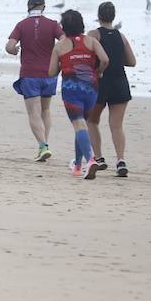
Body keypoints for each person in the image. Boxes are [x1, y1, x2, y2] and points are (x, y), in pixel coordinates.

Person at [47, 9, 110, 179]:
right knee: (82, 124)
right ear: (81, 24)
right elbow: (105, 60)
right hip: (91, 88)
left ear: (64, 27)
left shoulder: (59, 46)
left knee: (79, 125)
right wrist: (99, 71)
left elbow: (51, 72)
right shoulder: (91, 41)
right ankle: (77, 165)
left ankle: (90, 160)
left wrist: (63, 64)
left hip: (71, 90)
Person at [6, 0, 63, 162]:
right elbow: (65, 41)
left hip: (30, 74)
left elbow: (9, 46)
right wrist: (57, 55)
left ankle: (43, 145)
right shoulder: (53, 25)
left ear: (28, 6)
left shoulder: (21, 25)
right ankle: (45, 143)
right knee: (45, 110)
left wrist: (14, 50)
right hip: (50, 74)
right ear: (44, 7)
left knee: (33, 112)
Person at [87, 1, 135, 177]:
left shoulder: (94, 34)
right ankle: (121, 160)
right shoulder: (121, 36)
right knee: (116, 125)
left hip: (100, 82)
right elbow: (132, 61)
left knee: (92, 121)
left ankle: (99, 158)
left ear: (98, 16)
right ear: (113, 16)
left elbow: (88, 57)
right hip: (120, 82)